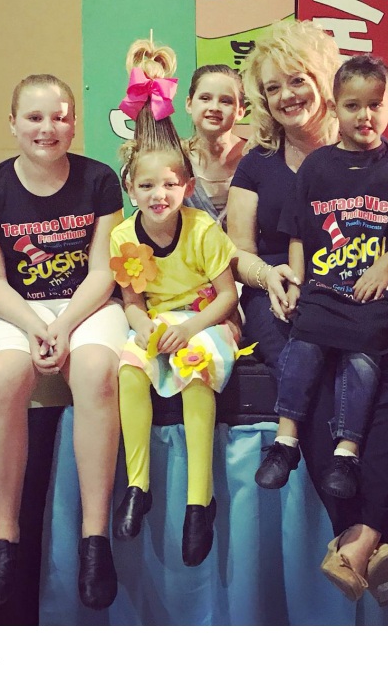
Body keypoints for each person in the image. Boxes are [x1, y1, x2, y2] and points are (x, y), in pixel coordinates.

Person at [227, 20, 388, 603]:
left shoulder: (383, 155)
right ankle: (368, 534)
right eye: (272, 88)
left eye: (297, 80)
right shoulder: (258, 163)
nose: (286, 95)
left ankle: (361, 542)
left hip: (365, 287)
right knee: (309, 380)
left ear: (326, 81)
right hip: (284, 290)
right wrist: (269, 276)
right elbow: (236, 250)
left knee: (382, 375)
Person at [0, 74, 128, 612]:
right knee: (3, 376)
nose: (47, 128)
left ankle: (94, 539)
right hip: (18, 308)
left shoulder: (99, 179)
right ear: (12, 123)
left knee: (95, 372)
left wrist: (65, 324)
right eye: (34, 117)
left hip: (87, 304)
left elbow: (103, 272)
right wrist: (37, 326)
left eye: (59, 116)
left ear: (73, 123)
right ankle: (3, 540)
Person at [109, 38, 241, 566]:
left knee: (194, 367)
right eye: (146, 185)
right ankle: (137, 484)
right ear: (131, 189)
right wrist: (142, 327)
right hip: (158, 320)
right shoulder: (124, 236)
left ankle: (198, 501)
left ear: (186, 186)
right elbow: (131, 299)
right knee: (129, 366)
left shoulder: (202, 228)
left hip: (206, 319)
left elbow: (227, 296)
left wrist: (189, 330)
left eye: (169, 183)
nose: (158, 194)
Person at [182, 63, 246, 226]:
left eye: (225, 101)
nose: (214, 107)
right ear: (189, 104)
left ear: (240, 111)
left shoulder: (257, 158)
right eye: (205, 98)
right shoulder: (175, 159)